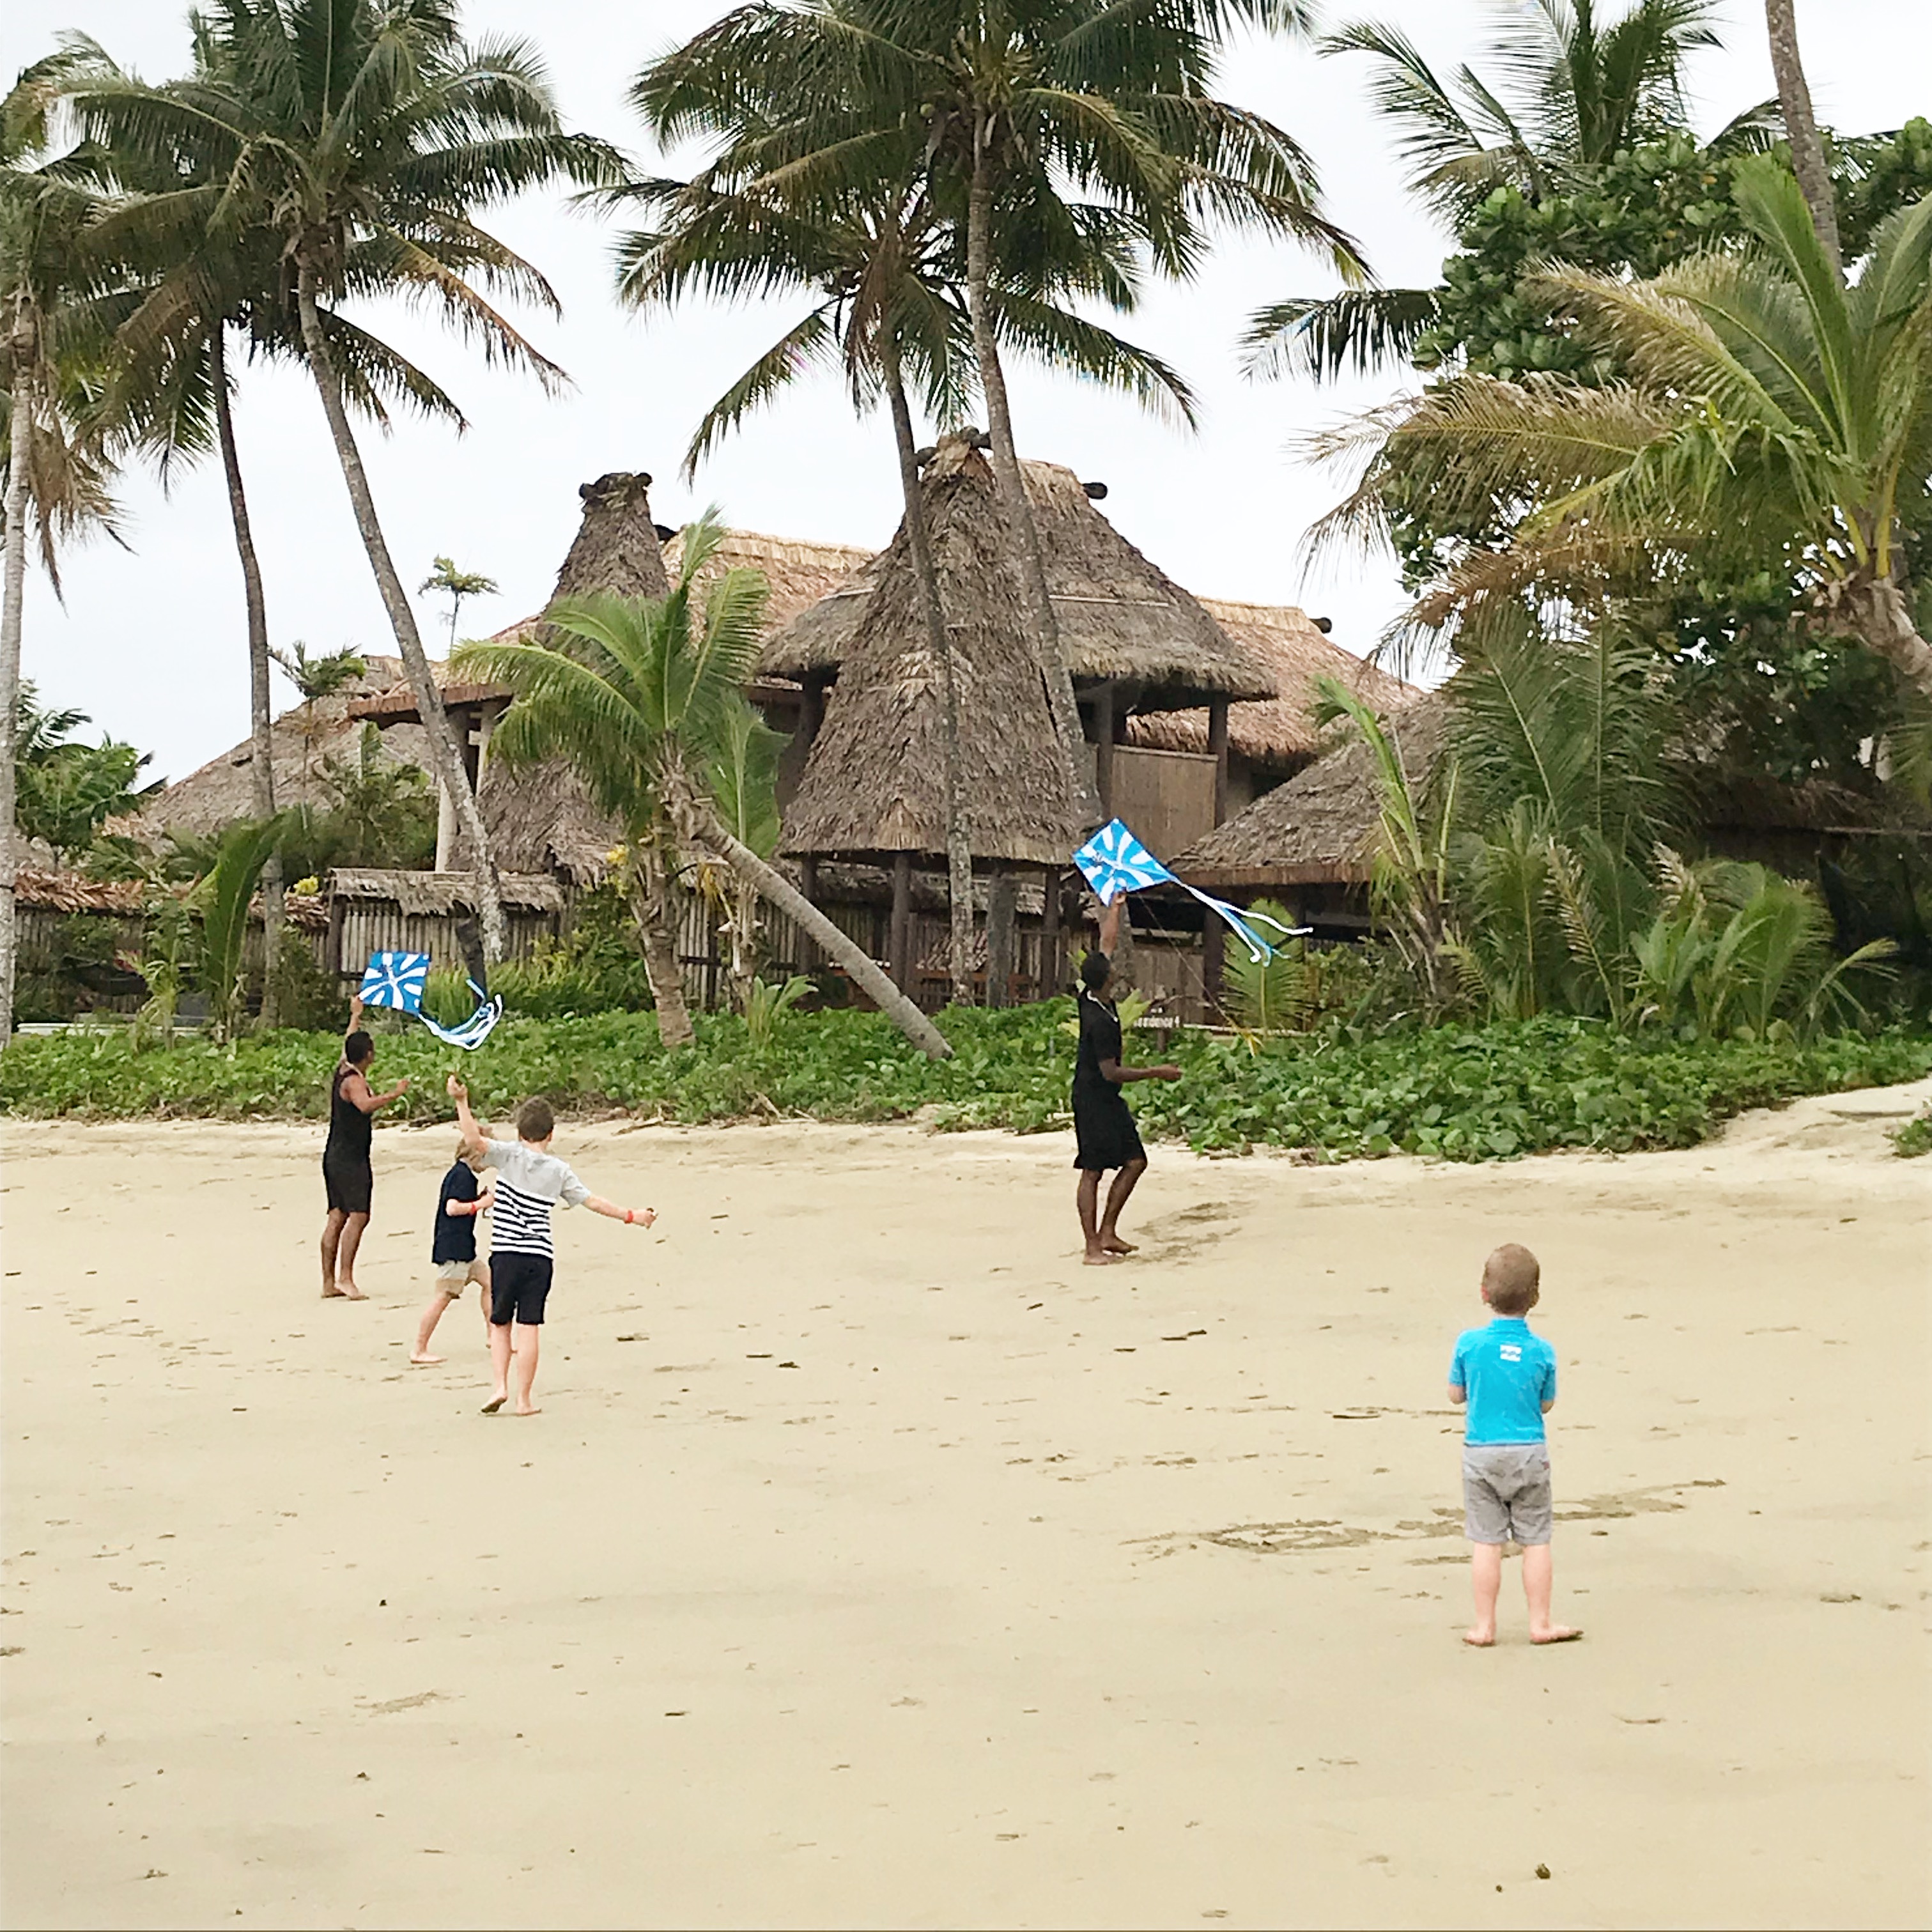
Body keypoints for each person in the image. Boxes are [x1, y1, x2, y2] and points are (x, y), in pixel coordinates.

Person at [447, 1075, 655, 1416]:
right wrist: (633, 1215)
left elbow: (472, 1139)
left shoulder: (509, 1155)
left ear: (519, 1131)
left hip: (506, 1254)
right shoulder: (559, 1171)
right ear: (551, 1134)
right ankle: (524, 1400)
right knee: (530, 1326)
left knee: (501, 1324)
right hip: (539, 1258)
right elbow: (594, 1202)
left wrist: (461, 1101)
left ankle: (500, 1385)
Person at [1448, 1242, 1582, 1647]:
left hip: (1482, 1453)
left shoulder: (1469, 1344)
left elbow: (1456, 1394)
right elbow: (1547, 1403)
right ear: (1535, 1297)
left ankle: (1484, 1625)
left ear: (1484, 1293)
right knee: (1535, 1539)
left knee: (1487, 1541)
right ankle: (1539, 1622)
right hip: (1528, 1454)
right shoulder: (1542, 1351)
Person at [1072, 897, 1180, 1265]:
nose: (1117, 970)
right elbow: (1111, 1072)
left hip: (1107, 1098)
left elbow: (1106, 942)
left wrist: (1116, 908)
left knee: (1135, 1161)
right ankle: (1091, 1248)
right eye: (1112, 970)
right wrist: (1157, 1072)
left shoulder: (1093, 995)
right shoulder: (1097, 1018)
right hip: (1092, 1096)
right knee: (1093, 1170)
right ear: (1106, 980)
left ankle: (1108, 1233)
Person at [320, 994, 408, 1301]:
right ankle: (345, 1277)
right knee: (358, 1215)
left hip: (335, 1154)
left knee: (337, 1214)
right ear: (368, 1055)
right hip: (350, 1158)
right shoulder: (355, 1082)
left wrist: (355, 1015)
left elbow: (348, 1042)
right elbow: (365, 1105)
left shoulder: (344, 1068)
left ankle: (328, 1282)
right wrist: (394, 1095)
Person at [410, 1141, 495, 1364]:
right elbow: (453, 1208)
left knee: (490, 1283)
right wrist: (481, 1203)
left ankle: (493, 1336)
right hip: (454, 1249)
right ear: (476, 1154)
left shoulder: (462, 1174)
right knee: (443, 1297)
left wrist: (478, 1200)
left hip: (465, 1248)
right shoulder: (461, 1176)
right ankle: (419, 1348)